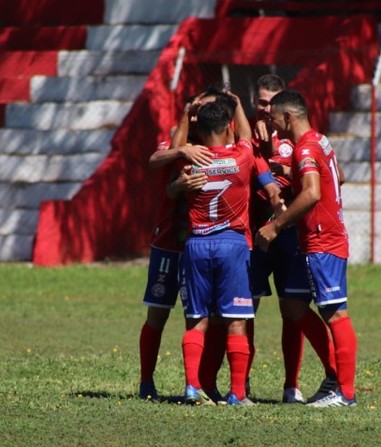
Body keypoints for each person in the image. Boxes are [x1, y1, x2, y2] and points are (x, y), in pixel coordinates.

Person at [256, 90, 358, 407]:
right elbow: (336, 176)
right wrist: (290, 173)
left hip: (322, 240)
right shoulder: (319, 141)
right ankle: (333, 377)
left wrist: (276, 224)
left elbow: (313, 193)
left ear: (288, 117)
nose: (270, 123)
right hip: (311, 241)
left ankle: (346, 393)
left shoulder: (305, 149)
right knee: (293, 307)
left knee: (335, 312)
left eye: (273, 117)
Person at [179, 100, 259, 406]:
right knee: (236, 320)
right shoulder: (241, 157)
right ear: (228, 127)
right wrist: (237, 103)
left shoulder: (190, 164)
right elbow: (247, 137)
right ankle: (237, 393)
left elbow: (176, 150)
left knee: (196, 319)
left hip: (196, 244)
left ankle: (191, 387)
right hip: (231, 243)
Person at [137, 98, 213, 401]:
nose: (197, 120)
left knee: (199, 317)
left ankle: (195, 385)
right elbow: (155, 162)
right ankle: (146, 383)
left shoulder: (218, 141)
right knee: (158, 313)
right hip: (169, 243)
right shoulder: (175, 142)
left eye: (202, 113)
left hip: (204, 244)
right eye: (193, 113)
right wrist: (181, 150)